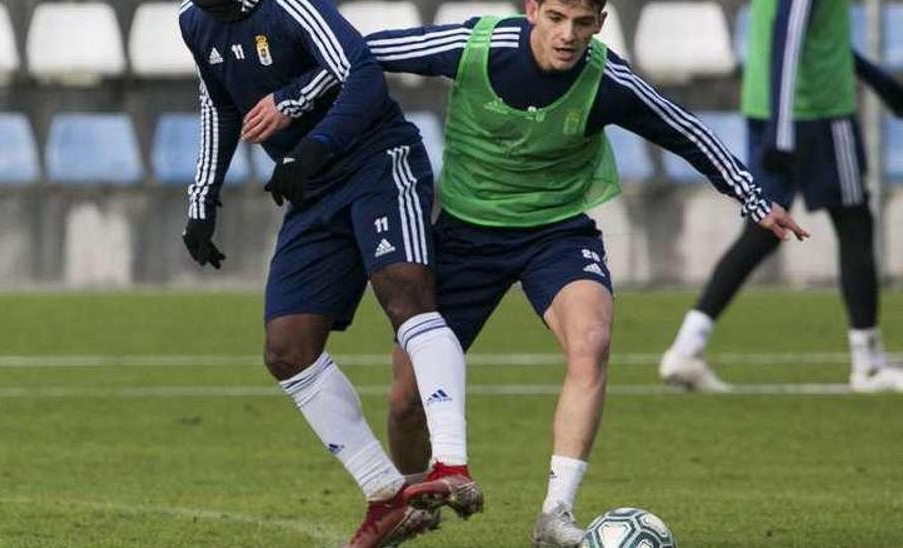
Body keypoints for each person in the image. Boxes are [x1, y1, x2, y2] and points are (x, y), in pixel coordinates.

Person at [251, 0, 807, 545]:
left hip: (556, 236)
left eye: (583, 22)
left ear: (601, 23)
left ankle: (556, 514)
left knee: (592, 341)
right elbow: (361, 55)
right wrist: (292, 98)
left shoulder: (608, 79)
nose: (568, 34)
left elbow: (685, 131)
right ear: (533, 8)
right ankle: (416, 502)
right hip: (465, 237)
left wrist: (753, 197)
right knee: (405, 400)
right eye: (557, 18)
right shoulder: (475, 47)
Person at [178, 0, 480, 545]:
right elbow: (217, 102)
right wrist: (203, 199)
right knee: (286, 349)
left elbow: (361, 70)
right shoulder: (193, 20)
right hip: (312, 189)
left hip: (376, 162)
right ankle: (386, 497)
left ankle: (451, 464)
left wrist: (311, 140)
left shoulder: (288, 5)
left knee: (406, 296)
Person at [661, 0, 903, 393]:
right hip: (816, 113)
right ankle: (868, 362)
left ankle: (687, 347)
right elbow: (788, 33)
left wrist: (879, 82)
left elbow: (816, 37)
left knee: (763, 228)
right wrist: (783, 131)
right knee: (856, 221)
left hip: (771, 108)